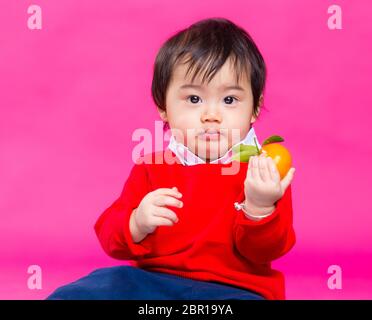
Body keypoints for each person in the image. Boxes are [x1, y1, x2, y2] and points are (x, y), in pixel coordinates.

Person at [46, 17, 296, 300]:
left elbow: (267, 250)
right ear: (163, 107)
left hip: (233, 290)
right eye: (193, 99)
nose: (210, 115)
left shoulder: (263, 170)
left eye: (229, 100)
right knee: (93, 288)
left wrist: (260, 207)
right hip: (153, 284)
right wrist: (136, 223)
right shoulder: (151, 168)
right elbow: (110, 237)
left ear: (254, 109)